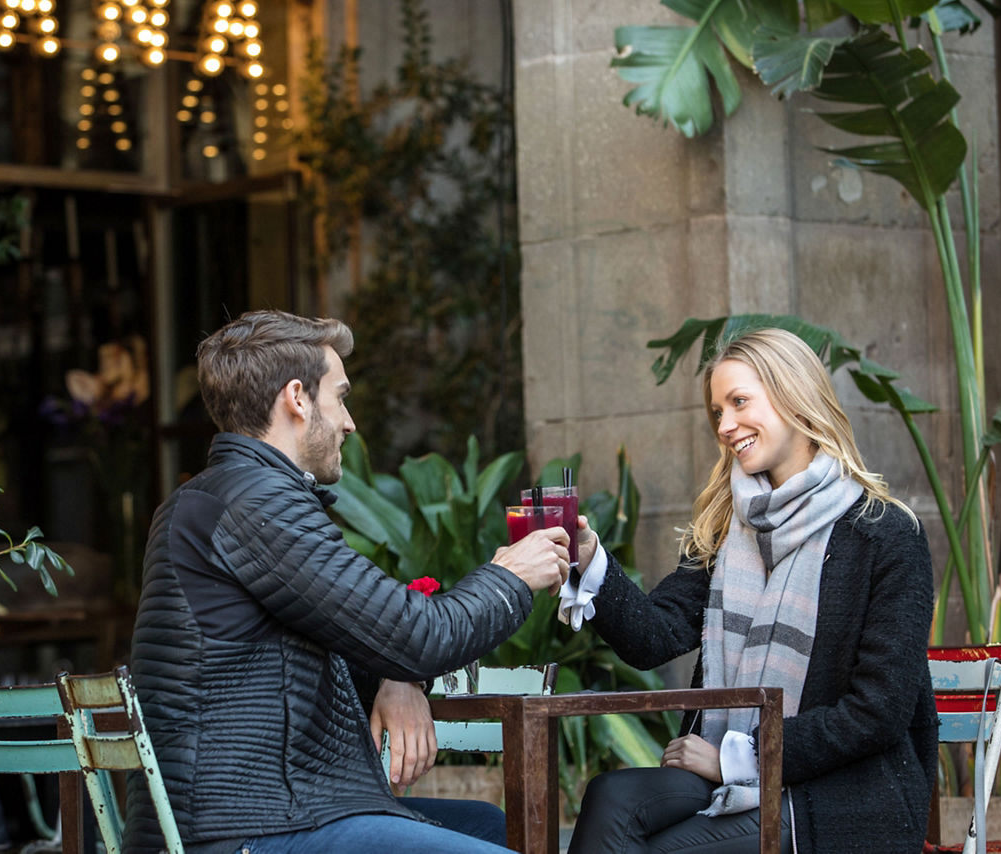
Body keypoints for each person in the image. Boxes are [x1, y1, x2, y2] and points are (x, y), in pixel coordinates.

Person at [123, 310, 571, 853]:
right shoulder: (255, 502)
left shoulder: (224, 498)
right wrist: (512, 576)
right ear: (297, 398)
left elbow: (357, 636)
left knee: (489, 825)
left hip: (261, 812)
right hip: (251, 828)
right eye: (340, 397)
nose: (349, 422)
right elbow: (419, 636)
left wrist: (396, 678)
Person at [562, 328, 938, 853]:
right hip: (728, 775)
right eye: (717, 411)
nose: (725, 425)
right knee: (611, 797)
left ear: (794, 396)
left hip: (844, 797)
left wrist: (738, 758)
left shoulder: (886, 534)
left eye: (739, 402)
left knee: (662, 848)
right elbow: (655, 637)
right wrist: (589, 562)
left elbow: (877, 712)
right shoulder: (726, 529)